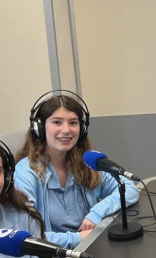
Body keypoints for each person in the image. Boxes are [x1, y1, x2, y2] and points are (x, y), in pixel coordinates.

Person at [15, 90, 139, 248]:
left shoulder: (85, 162)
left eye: (73, 123)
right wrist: (79, 238)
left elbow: (128, 189)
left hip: (89, 247)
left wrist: (96, 213)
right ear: (39, 127)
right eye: (57, 122)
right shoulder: (26, 173)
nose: (66, 130)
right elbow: (30, 236)